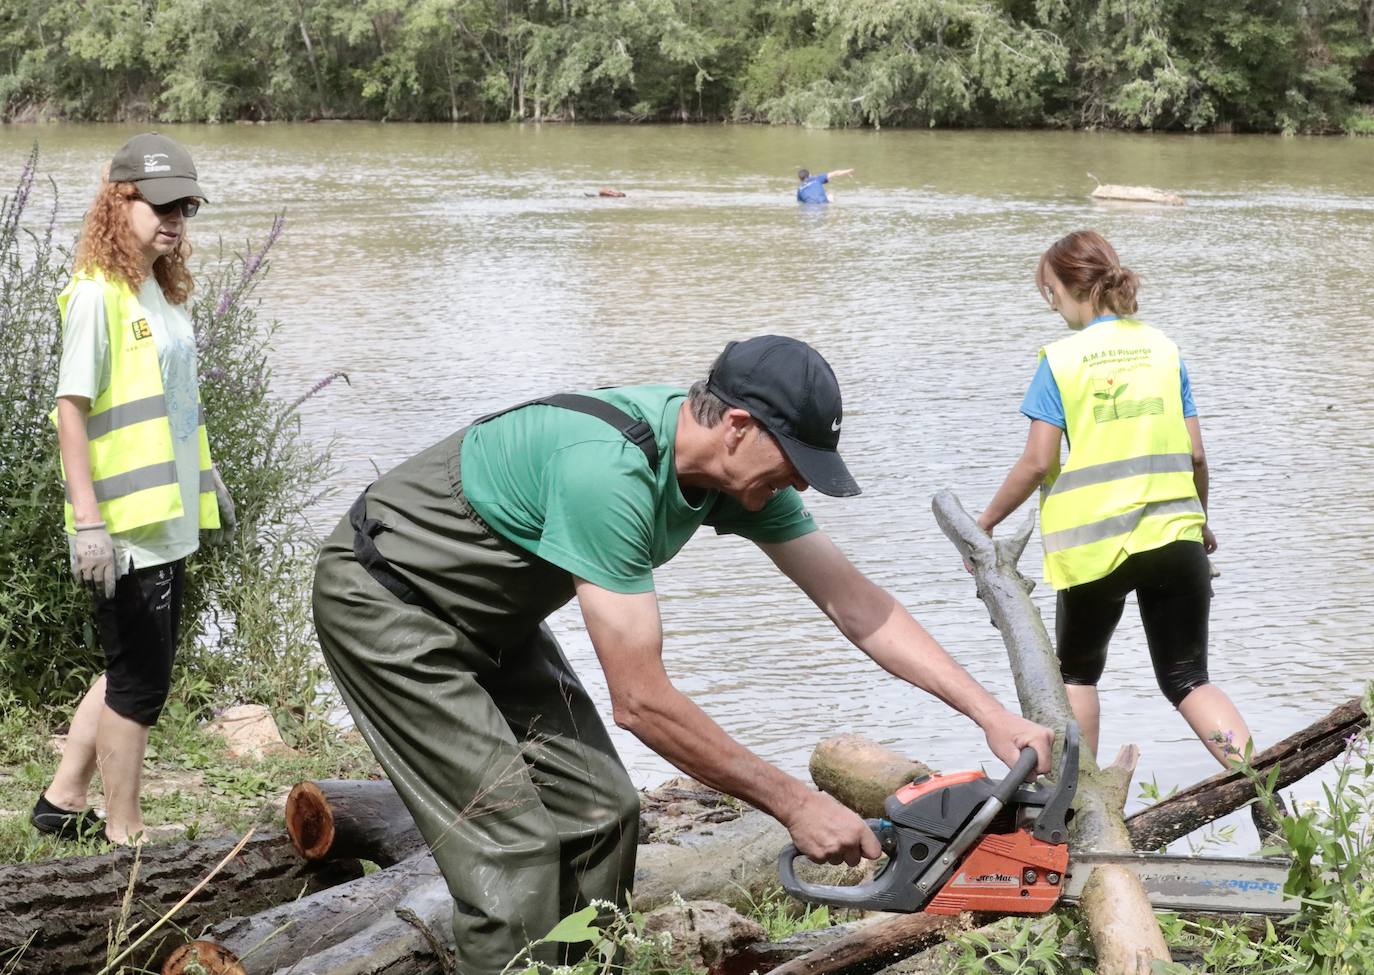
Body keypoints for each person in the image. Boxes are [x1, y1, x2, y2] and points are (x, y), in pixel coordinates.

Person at [312, 335, 1053, 975]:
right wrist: (795, 802)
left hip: (496, 618)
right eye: (793, 462)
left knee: (605, 809)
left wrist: (989, 713)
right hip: (387, 604)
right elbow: (641, 700)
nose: (796, 483)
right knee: (511, 846)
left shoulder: (735, 480)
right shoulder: (607, 474)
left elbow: (857, 605)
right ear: (737, 424)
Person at [974, 230, 1277, 826]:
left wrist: (983, 526)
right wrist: (1201, 523)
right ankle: (1267, 803)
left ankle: (1081, 820)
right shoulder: (1164, 349)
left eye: (1051, 292)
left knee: (1077, 674)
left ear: (1070, 288)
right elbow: (1195, 456)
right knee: (1190, 678)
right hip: (1176, 539)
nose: (1052, 305)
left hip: (1093, 549)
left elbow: (1037, 462)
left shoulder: (1059, 361)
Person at [35, 133, 235, 846]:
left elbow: (178, 401)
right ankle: (125, 831)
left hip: (168, 514)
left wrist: (207, 471)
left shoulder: (154, 289)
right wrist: (87, 521)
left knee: (125, 669)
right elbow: (71, 408)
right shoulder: (97, 295)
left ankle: (62, 801)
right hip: (123, 524)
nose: (174, 217)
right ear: (119, 203)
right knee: (140, 687)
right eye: (159, 204)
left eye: (184, 204)